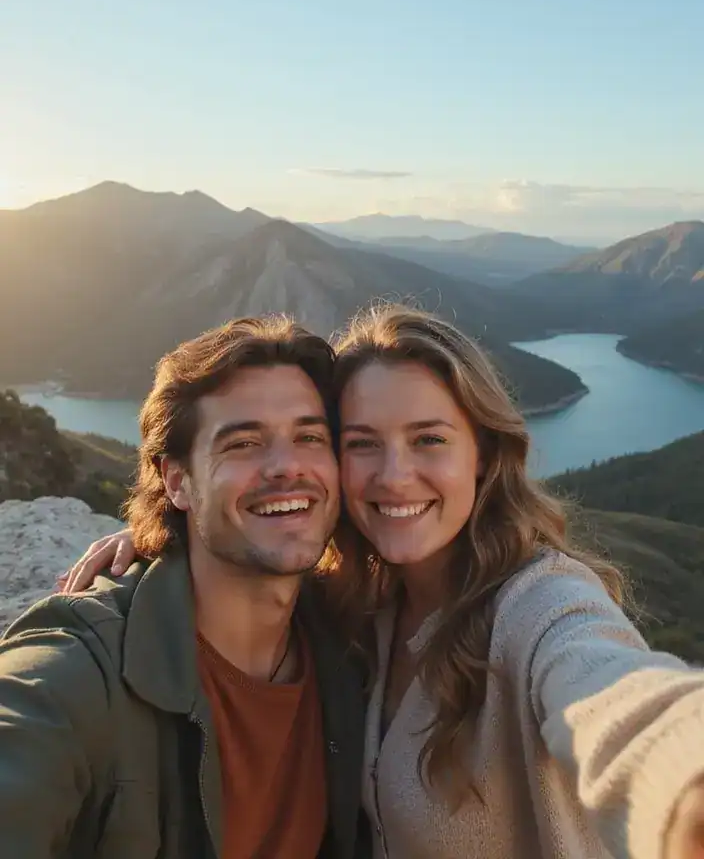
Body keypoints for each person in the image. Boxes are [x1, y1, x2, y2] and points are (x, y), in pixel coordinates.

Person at [60, 305, 704, 859]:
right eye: (363, 443)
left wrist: (682, 786)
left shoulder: (538, 604)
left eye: (428, 439)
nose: (394, 476)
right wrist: (183, 531)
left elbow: (614, 699)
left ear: (482, 455)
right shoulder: (355, 609)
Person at [0, 316, 369, 859]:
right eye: (243, 443)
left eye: (310, 437)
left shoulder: (354, 645)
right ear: (177, 481)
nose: (287, 466)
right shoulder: (82, 674)